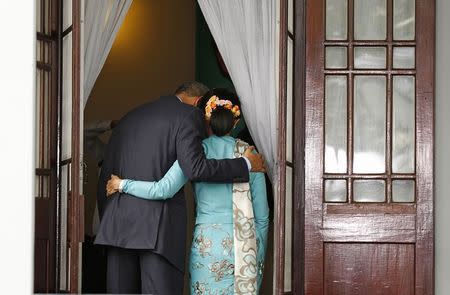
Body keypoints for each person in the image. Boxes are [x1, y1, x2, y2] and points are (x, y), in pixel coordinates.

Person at [94, 82, 265, 294]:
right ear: (197, 105)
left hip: (119, 225)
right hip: (165, 232)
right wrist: (246, 164)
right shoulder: (245, 152)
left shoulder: (129, 117)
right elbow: (261, 218)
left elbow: (113, 174)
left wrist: (119, 190)